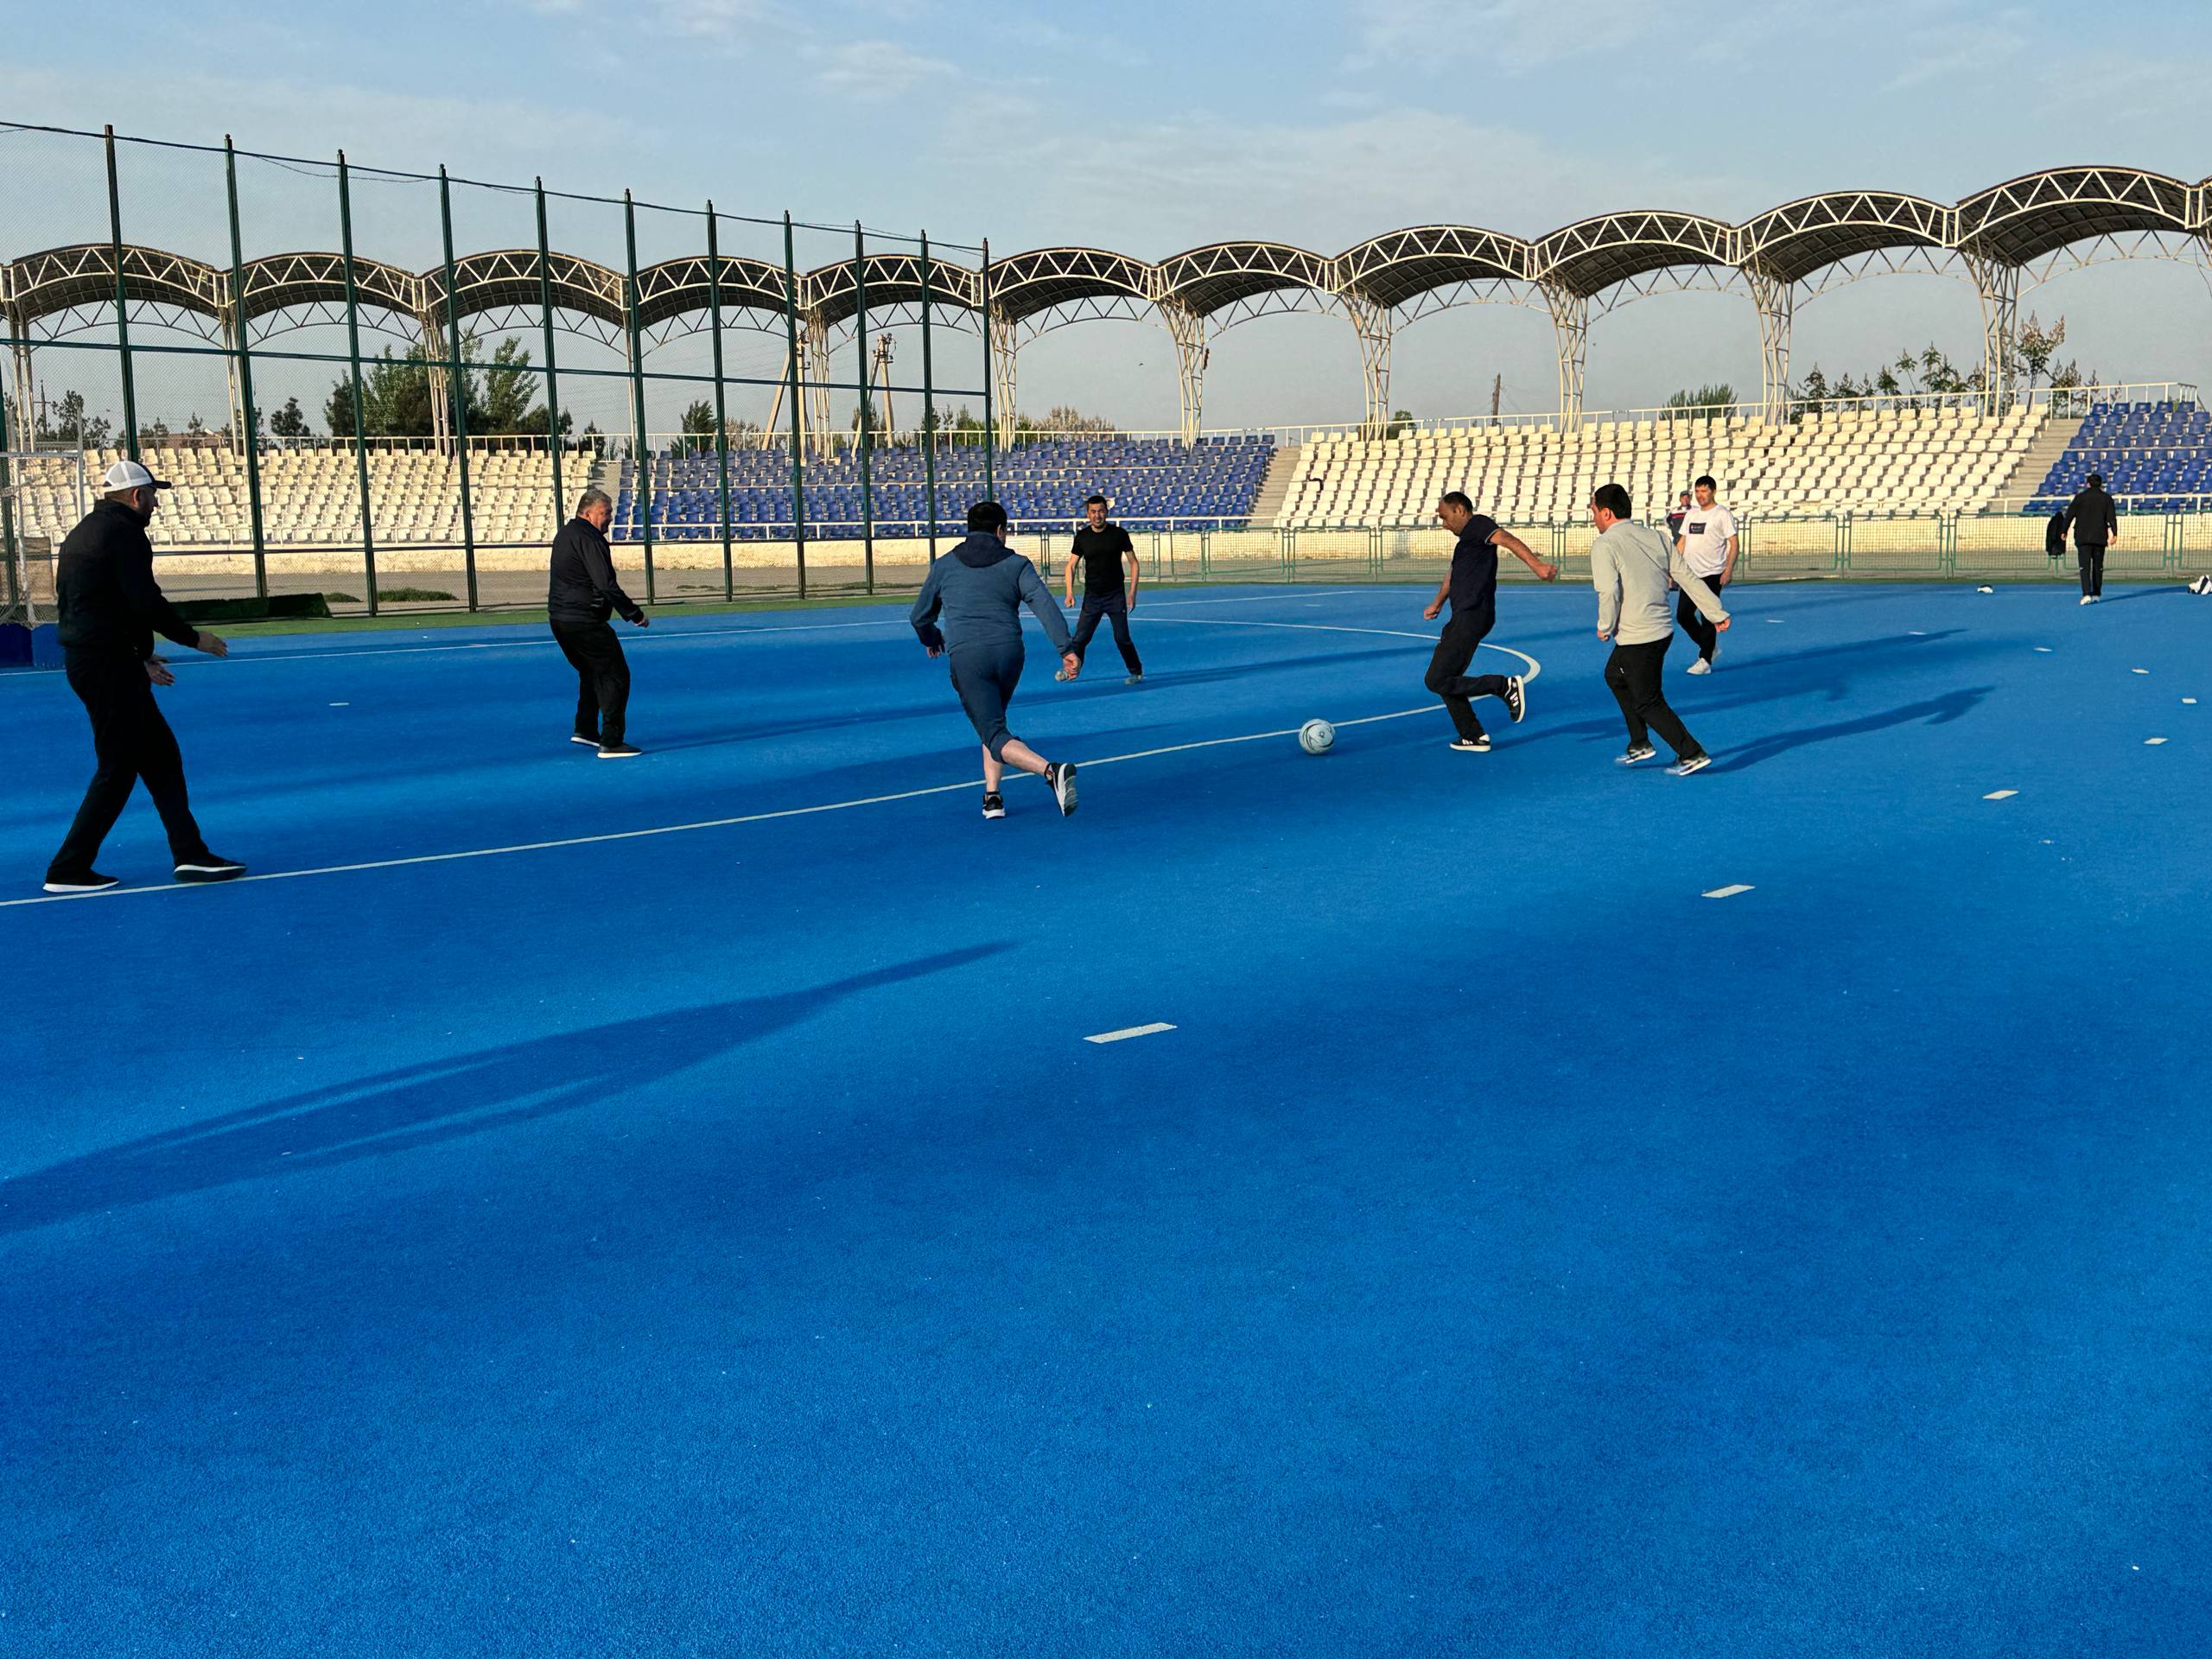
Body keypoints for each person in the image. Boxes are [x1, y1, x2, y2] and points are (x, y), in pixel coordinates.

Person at [43, 459, 245, 894]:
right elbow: (144, 602)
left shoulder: (85, 532)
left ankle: (190, 853)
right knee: (117, 768)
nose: (156, 503)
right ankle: (67, 869)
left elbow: (99, 606)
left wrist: (139, 658)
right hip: (106, 666)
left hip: (99, 661)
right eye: (152, 495)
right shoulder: (125, 534)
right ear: (137, 496)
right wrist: (194, 638)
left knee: (161, 757)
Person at [911, 501, 1083, 819]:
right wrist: (1066, 649)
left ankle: (1051, 772)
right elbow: (1044, 606)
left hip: (968, 656)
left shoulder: (944, 565)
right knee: (992, 719)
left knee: (992, 730)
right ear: (1000, 530)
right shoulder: (1017, 564)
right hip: (1009, 655)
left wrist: (932, 639)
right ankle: (993, 797)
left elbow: (919, 617)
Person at [1587, 482, 1730, 776]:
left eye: (1594, 511)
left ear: (1606, 513)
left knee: (1648, 701)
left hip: (1637, 636)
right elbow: (1687, 577)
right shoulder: (1657, 537)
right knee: (1614, 675)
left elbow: (1609, 591)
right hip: (1661, 630)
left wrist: (1605, 625)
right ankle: (1639, 742)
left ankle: (1691, 752)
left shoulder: (1605, 544)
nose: (1593, 518)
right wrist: (1715, 612)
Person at [1421, 491, 1557, 752]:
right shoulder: (1465, 543)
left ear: (1460, 510)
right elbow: (1452, 573)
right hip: (1465, 615)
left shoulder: (1478, 524)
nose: (1444, 524)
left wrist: (1537, 566)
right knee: (1447, 678)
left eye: (1445, 517)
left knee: (1435, 679)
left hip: (1472, 614)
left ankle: (1502, 685)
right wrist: (1437, 602)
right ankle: (1472, 735)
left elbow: (1507, 539)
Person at [548, 487, 648, 757]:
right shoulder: (589, 538)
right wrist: (634, 613)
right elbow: (605, 583)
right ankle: (612, 741)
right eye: (606, 513)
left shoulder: (566, 534)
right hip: (584, 620)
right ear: (588, 513)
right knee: (616, 675)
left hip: (559, 619)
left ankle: (585, 729)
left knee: (591, 672)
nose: (610, 518)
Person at [1058, 494, 1144, 684]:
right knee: (1080, 638)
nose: (1097, 515)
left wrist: (1132, 593)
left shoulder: (1119, 534)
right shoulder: (1082, 537)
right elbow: (1071, 565)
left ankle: (1136, 671)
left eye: (1101, 511)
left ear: (1107, 512)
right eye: (1093, 512)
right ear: (1088, 514)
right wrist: (1069, 592)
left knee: (1122, 638)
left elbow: (1134, 563)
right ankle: (1071, 670)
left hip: (1115, 596)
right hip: (1092, 597)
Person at [1674, 474, 1738, 673]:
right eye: (1697, 491)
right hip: (1690, 575)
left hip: (1712, 573)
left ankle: (1705, 660)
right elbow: (1682, 542)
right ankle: (1709, 647)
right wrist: (1672, 567)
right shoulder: (1691, 514)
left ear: (1713, 491)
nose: (1700, 495)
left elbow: (1734, 543)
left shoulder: (1722, 514)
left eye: (1704, 491)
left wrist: (1729, 569)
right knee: (1683, 616)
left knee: (1708, 616)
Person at [2063, 471, 2119, 605]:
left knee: (2084, 567)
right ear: (2101, 484)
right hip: (2099, 537)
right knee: (2098, 567)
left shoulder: (2080, 498)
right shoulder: (2106, 498)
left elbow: (2069, 515)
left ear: (2088, 484)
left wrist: (2064, 530)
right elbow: (2111, 518)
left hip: (2082, 537)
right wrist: (2114, 533)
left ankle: (2086, 593)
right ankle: (2096, 594)